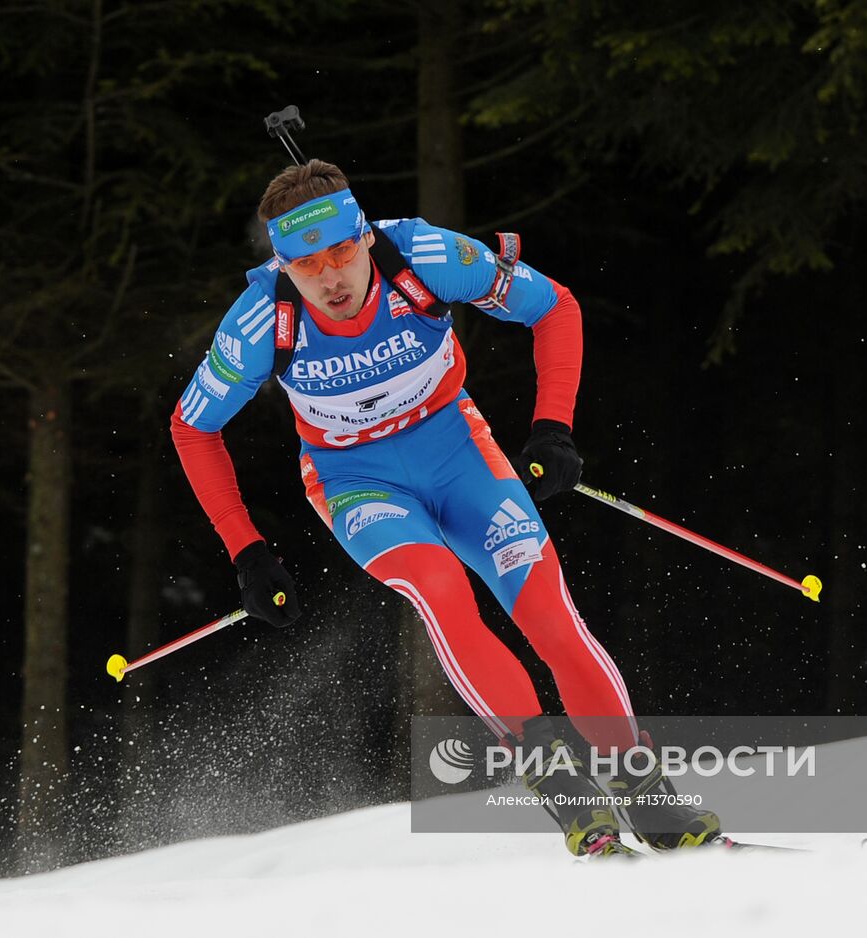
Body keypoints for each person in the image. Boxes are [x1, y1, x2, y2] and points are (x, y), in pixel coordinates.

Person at [170, 159, 720, 857]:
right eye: (308, 265)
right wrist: (246, 550)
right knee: (439, 588)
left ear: (366, 237)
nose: (331, 279)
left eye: (341, 252)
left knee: (549, 613)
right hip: (357, 481)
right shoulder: (259, 323)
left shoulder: (429, 258)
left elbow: (554, 306)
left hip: (459, 453)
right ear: (283, 263)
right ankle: (563, 788)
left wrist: (553, 426)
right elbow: (192, 426)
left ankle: (646, 793)